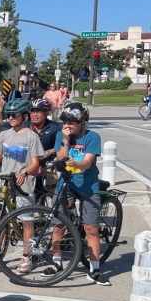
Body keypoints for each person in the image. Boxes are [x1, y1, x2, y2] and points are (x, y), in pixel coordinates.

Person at [0, 98, 43, 275]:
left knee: (27, 220)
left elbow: (35, 163)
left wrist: (25, 173)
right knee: (2, 218)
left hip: (23, 183)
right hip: (6, 181)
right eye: (9, 115)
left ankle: (27, 257)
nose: (11, 118)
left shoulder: (31, 136)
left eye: (15, 115)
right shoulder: (4, 135)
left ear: (24, 116)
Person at [52, 102, 108, 285]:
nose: (67, 126)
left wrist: (75, 163)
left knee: (91, 228)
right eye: (65, 122)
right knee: (58, 223)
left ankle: (95, 268)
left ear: (83, 122)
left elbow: (87, 162)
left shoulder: (92, 137)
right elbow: (60, 157)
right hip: (66, 183)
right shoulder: (61, 135)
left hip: (87, 185)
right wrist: (65, 140)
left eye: (72, 123)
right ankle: (57, 261)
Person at [28, 99, 61, 195]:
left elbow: (63, 146)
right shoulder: (25, 126)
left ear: (46, 112)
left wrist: (48, 152)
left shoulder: (55, 127)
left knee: (53, 193)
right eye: (33, 111)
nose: (35, 115)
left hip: (48, 165)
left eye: (38, 111)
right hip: (28, 165)